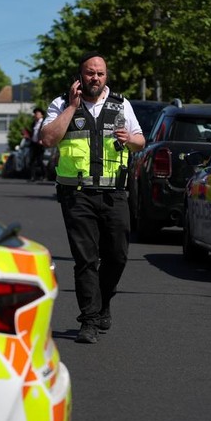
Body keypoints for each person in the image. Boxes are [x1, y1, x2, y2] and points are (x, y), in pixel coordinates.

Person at [40, 51, 145, 344]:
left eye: (99, 73)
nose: (94, 78)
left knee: (117, 256)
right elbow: (47, 139)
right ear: (80, 75)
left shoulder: (122, 104)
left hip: (115, 193)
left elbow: (140, 141)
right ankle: (88, 321)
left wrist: (130, 140)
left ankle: (102, 305)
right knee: (86, 259)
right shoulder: (61, 104)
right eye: (89, 73)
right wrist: (72, 107)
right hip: (77, 195)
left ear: (106, 76)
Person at [28, 107, 46, 182]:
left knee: (40, 161)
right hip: (34, 144)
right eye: (35, 114)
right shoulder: (33, 123)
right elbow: (32, 133)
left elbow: (45, 132)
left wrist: (42, 140)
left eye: (38, 114)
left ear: (41, 115)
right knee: (32, 161)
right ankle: (33, 177)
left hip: (41, 145)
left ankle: (44, 176)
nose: (36, 115)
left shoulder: (44, 123)